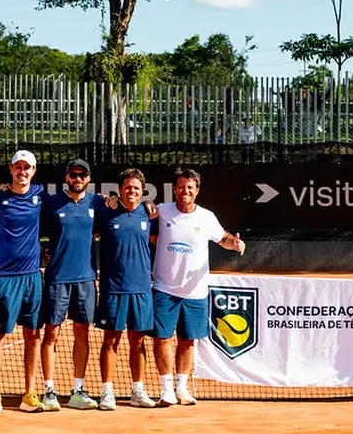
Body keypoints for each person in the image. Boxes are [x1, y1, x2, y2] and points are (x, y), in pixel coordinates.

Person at [150, 168, 246, 406]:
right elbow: (145, 214)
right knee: (161, 339)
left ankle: (181, 388)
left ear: (197, 191)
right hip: (164, 288)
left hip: (195, 292)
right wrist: (148, 205)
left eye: (190, 187)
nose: (186, 191)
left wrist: (234, 244)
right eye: (181, 186)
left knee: (188, 340)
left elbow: (222, 238)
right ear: (175, 189)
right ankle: (166, 390)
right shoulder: (162, 212)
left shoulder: (206, 216)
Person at [38, 159, 104, 411]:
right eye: (74, 175)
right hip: (57, 279)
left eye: (83, 175)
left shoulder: (96, 203)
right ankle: (49, 390)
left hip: (86, 279)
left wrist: (151, 206)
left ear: (88, 178)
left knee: (82, 333)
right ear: (67, 177)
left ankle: (78, 389)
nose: (78, 179)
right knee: (51, 333)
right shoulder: (52, 202)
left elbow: (123, 207)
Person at [0, 150, 46, 414]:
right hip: (4, 277)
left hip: (33, 276)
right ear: (10, 169)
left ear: (33, 171)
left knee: (33, 335)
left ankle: (29, 393)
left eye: (27, 168)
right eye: (18, 167)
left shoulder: (40, 194)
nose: (22, 171)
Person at [96, 168, 157, 410]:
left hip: (142, 289)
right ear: (120, 189)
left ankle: (137, 390)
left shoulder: (149, 214)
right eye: (127, 187)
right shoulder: (107, 211)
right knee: (110, 340)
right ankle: (107, 391)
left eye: (136, 188)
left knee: (138, 341)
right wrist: (104, 199)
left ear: (142, 192)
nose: (132, 191)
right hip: (113, 288)